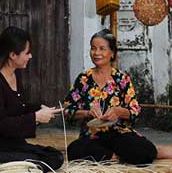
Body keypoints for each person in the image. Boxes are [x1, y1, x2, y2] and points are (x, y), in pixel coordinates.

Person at [0, 26, 64, 171]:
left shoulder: (15, 74)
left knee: (55, 156)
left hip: (10, 142)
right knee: (42, 162)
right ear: (13, 55)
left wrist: (40, 109)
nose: (30, 56)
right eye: (27, 53)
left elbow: (18, 107)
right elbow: (0, 124)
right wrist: (35, 117)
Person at [62, 29, 158, 165]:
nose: (96, 53)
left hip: (119, 134)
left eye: (102, 49)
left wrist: (118, 112)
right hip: (92, 136)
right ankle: (116, 156)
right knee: (74, 150)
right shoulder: (83, 79)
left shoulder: (121, 78)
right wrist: (87, 113)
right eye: (93, 48)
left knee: (143, 150)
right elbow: (67, 110)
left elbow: (135, 110)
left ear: (112, 53)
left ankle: (109, 156)